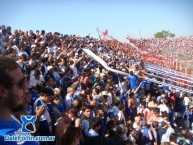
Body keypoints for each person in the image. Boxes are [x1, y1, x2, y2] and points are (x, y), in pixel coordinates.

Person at [0, 56, 38, 145]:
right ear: (2, 91)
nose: (25, 89)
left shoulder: (11, 118)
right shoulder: (22, 142)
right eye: (21, 84)